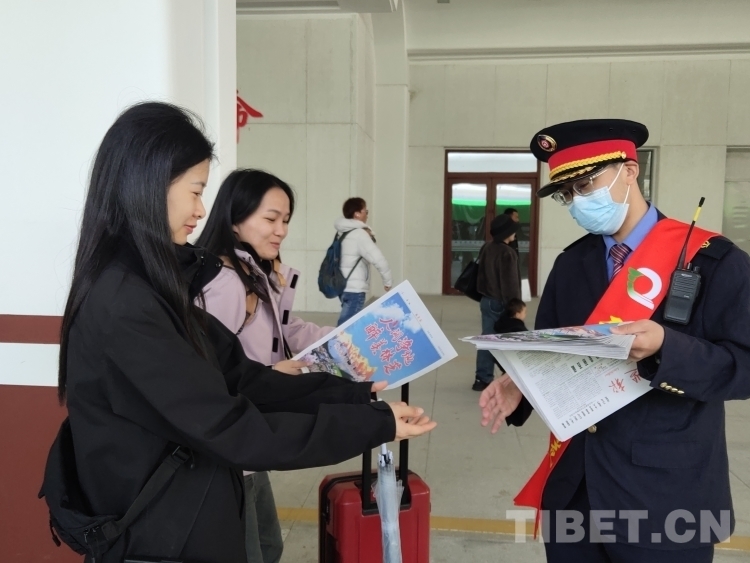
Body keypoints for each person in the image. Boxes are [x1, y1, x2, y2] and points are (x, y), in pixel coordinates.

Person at [57, 101, 436, 563]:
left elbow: (244, 379)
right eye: (195, 191)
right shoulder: (125, 305)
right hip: (157, 538)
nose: (200, 210)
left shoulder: (160, 286)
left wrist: (354, 395)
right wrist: (372, 423)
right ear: (148, 184)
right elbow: (229, 426)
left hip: (190, 515)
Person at [479, 119, 750, 563]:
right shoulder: (571, 265)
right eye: (567, 194)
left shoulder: (713, 261)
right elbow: (553, 349)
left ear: (630, 170)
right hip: (576, 489)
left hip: (665, 496)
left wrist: (667, 347)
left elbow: (743, 365)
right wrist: (522, 385)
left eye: (586, 184)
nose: (577, 201)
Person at [196, 168, 335, 563]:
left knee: (269, 546)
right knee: (251, 552)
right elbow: (207, 372)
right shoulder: (224, 283)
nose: (281, 230)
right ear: (234, 219)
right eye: (271, 219)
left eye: (286, 220)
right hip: (230, 442)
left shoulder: (257, 272)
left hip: (252, 432)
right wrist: (272, 376)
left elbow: (288, 328)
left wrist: (344, 338)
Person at [472, 214, 522, 391]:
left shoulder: (487, 247)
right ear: (506, 233)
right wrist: (515, 306)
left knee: (487, 339)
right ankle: (509, 376)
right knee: (506, 340)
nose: (515, 234)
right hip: (501, 302)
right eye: (513, 231)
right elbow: (510, 284)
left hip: (487, 300)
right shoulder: (507, 253)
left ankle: (482, 378)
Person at [334, 197, 393, 326]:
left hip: (342, 286)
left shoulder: (341, 232)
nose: (367, 214)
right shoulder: (359, 235)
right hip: (354, 289)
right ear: (357, 214)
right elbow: (378, 259)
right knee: (346, 328)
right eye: (365, 211)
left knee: (348, 325)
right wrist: (387, 281)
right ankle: (333, 340)